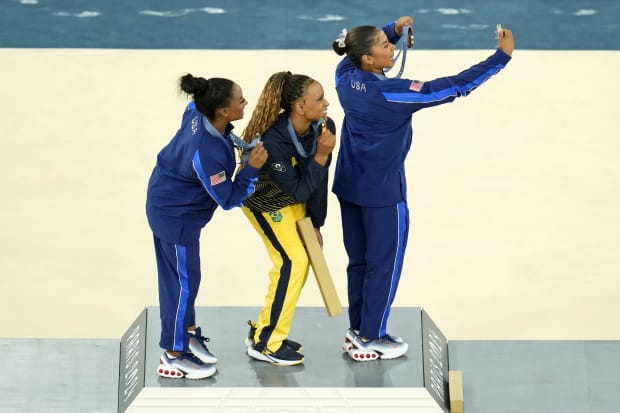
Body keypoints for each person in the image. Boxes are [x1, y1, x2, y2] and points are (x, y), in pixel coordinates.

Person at [332, 16, 514, 361]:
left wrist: (392, 29)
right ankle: (370, 336)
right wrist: (500, 57)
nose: (391, 49)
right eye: (385, 46)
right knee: (383, 264)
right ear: (368, 59)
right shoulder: (392, 93)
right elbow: (453, 87)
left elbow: (352, 54)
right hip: (383, 192)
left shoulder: (345, 78)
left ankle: (357, 329)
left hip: (349, 185)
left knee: (358, 262)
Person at [146, 73, 268, 379]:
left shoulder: (197, 111)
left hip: (166, 201)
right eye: (240, 101)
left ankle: (186, 332)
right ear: (224, 111)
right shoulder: (206, 155)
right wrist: (251, 168)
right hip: (177, 218)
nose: (245, 103)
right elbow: (228, 199)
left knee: (183, 281)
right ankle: (173, 355)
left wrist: (238, 143)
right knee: (183, 285)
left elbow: (215, 131)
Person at [240, 71, 336, 366]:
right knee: (292, 263)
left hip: (294, 200)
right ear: (299, 106)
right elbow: (296, 191)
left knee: (299, 263)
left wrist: (315, 224)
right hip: (265, 204)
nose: (327, 103)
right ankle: (267, 343)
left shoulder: (324, 127)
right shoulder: (273, 141)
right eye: (319, 99)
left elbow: (318, 183)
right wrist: (320, 156)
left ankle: (265, 329)